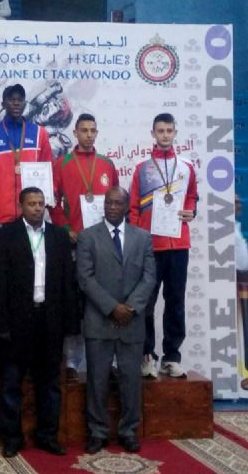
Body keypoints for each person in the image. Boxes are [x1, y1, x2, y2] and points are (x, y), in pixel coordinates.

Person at [0, 187, 78, 458]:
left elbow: (68, 281)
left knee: (49, 384)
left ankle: (47, 436)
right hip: (16, 323)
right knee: (11, 384)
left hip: (50, 321)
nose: (37, 208)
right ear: (21, 206)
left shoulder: (59, 236)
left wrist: (70, 323)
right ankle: (12, 438)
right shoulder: (5, 235)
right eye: (32, 204)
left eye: (41, 203)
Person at [77, 187, 155, 454]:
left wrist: (130, 307)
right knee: (97, 381)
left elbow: (149, 278)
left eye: (117, 203)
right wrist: (112, 308)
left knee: (131, 380)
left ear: (126, 206)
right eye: (108, 202)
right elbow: (85, 278)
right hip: (99, 320)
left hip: (132, 321)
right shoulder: (88, 237)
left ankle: (128, 431)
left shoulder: (143, 238)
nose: (111, 207)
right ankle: (97, 432)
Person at [50, 113, 119, 379]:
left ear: (97, 133)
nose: (89, 135)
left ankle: (106, 361)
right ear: (75, 133)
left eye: (93, 130)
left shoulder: (107, 165)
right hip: (74, 242)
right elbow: (52, 201)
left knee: (103, 301)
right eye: (84, 130)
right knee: (74, 304)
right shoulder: (62, 163)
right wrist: (65, 229)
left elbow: (116, 202)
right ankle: (71, 361)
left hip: (103, 244)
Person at [129, 113, 198, 379]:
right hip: (151, 247)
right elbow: (133, 208)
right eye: (161, 131)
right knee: (146, 302)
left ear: (175, 133)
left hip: (178, 244)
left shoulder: (186, 167)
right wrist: (137, 241)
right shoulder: (143, 168)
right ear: (153, 133)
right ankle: (147, 355)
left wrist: (191, 210)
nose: (165, 135)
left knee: (176, 301)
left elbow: (191, 196)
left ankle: (171, 356)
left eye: (169, 130)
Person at [0, 84, 53, 241]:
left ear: (25, 103)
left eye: (20, 99)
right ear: (3, 104)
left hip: (32, 219)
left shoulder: (39, 134)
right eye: (11, 99)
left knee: (34, 257)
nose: (16, 103)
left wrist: (48, 203)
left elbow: (49, 173)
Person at [235, 194, 248, 389]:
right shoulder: (226, 229)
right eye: (235, 202)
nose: (239, 205)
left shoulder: (236, 227)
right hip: (236, 284)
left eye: (239, 202)